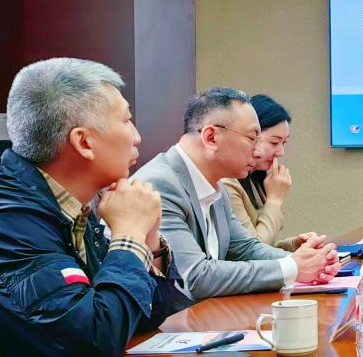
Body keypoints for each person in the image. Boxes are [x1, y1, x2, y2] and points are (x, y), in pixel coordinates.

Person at [0, 58, 189, 357]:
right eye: (126, 120)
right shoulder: (0, 225)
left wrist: (147, 239)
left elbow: (144, 316)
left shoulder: (58, 202)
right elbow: (94, 339)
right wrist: (128, 235)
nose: (137, 136)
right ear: (83, 142)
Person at [134, 88, 339, 300]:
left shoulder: (216, 185)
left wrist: (309, 261)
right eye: (252, 138)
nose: (258, 151)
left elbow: (245, 248)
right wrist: (293, 267)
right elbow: (193, 277)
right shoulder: (160, 185)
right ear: (211, 137)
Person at [220, 94, 313, 251]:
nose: (281, 152)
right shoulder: (226, 182)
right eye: (274, 142)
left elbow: (263, 247)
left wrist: (293, 245)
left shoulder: (254, 176)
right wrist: (275, 200)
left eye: (284, 143)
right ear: (251, 137)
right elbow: (251, 251)